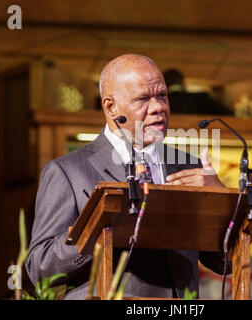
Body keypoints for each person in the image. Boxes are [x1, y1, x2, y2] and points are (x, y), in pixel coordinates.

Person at [25, 54, 230, 299]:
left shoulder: (188, 166)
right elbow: (40, 267)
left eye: (162, 95)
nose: (159, 107)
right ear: (111, 107)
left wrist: (222, 200)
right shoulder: (68, 172)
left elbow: (223, 262)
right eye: (143, 99)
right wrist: (92, 232)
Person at [163, 68, 233, 115]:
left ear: (163, 85)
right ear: (182, 83)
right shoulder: (201, 98)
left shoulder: (157, 102)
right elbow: (228, 114)